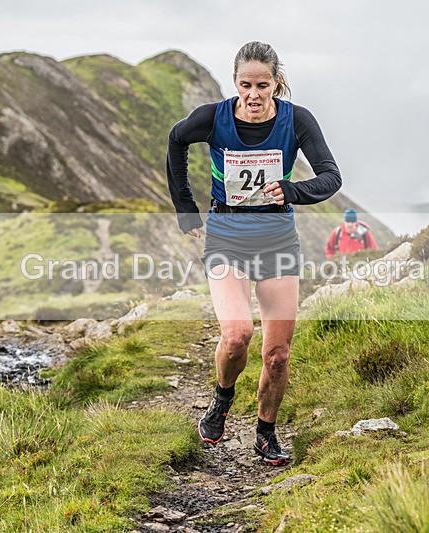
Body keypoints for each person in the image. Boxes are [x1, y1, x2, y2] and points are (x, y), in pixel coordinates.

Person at [166, 41, 341, 466]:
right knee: (237, 334)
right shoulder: (214, 117)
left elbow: (331, 177)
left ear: (276, 83)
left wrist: (292, 190)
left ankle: (265, 433)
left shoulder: (297, 120)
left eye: (263, 85)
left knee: (277, 354)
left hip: (278, 239)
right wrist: (186, 209)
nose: (254, 94)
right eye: (246, 85)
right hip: (227, 236)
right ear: (235, 83)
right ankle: (222, 400)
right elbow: (176, 141)